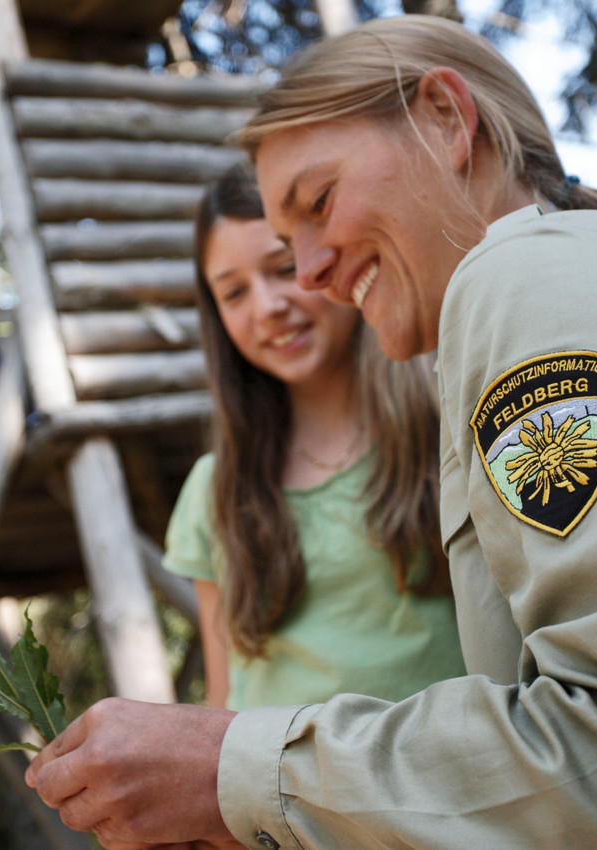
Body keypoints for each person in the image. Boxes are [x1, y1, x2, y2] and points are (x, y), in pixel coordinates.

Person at [24, 15, 597, 850]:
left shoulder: (530, 277)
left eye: (319, 202)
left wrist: (236, 767)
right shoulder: (579, 277)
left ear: (448, 117)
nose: (314, 275)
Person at [167, 162, 463, 713]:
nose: (266, 307)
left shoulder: (451, 428)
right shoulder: (214, 489)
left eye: (282, 269)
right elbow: (223, 701)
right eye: (233, 294)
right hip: (277, 797)